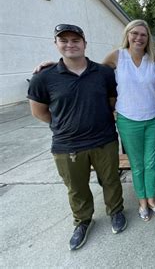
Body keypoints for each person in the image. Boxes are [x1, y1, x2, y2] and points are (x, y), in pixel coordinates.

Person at [27, 24, 127, 251]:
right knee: (76, 187)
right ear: (56, 44)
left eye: (75, 40)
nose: (70, 44)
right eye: (64, 41)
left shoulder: (103, 73)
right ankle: (82, 221)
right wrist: (63, 124)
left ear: (84, 44)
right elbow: (39, 111)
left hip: (104, 139)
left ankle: (116, 211)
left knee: (111, 180)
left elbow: (112, 101)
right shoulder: (44, 77)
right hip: (67, 144)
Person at [102, 20, 155, 222]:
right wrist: (52, 64)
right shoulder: (117, 56)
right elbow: (92, 73)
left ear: (148, 39)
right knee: (137, 164)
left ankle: (152, 198)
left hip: (154, 117)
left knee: (151, 162)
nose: (138, 38)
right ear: (127, 35)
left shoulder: (154, 59)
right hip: (128, 119)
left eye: (143, 35)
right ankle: (142, 202)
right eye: (134, 33)